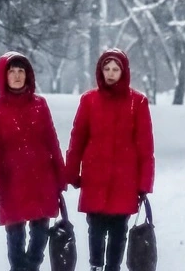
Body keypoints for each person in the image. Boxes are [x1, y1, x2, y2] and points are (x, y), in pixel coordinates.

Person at [64, 48, 154, 271]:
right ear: (100, 71)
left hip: (125, 180)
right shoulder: (89, 100)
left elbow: (145, 146)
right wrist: (72, 173)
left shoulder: (137, 102)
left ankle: (112, 267)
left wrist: (144, 184)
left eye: (116, 69)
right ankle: (95, 265)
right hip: (95, 176)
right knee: (94, 227)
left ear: (124, 72)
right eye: (107, 69)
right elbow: (77, 139)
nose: (111, 73)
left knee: (119, 230)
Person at [0, 52, 66, 271]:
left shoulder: (40, 105)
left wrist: (61, 176)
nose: (17, 76)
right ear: (4, 76)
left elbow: (52, 141)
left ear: (28, 75)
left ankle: (32, 267)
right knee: (15, 241)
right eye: (12, 72)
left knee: (40, 237)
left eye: (21, 72)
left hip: (42, 180)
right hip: (11, 183)